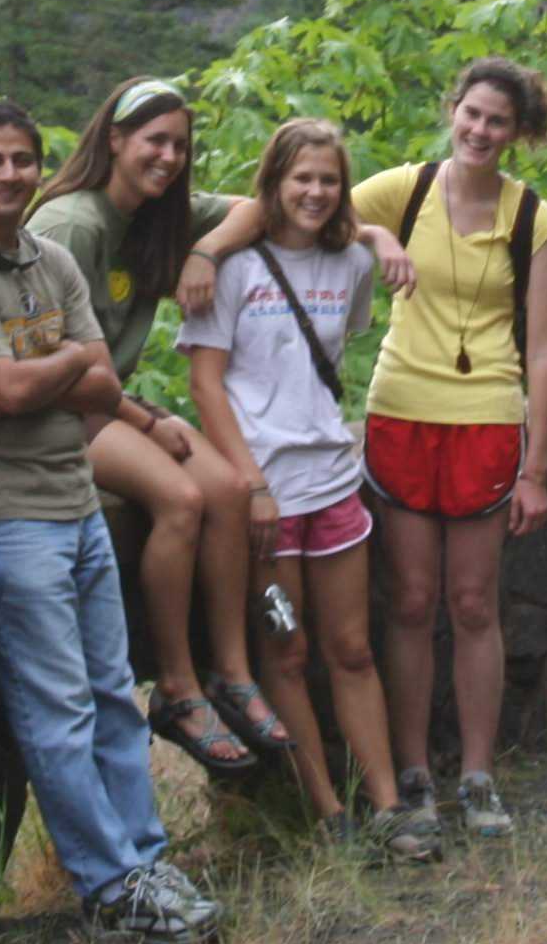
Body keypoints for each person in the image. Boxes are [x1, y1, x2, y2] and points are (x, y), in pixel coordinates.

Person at [0, 102, 223, 944]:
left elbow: (93, 379)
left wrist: (31, 375)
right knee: (56, 708)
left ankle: (144, 859)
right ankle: (108, 883)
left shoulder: (50, 258)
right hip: (7, 513)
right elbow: (43, 385)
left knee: (111, 697)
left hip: (77, 502)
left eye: (22, 160)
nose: (9, 175)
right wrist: (54, 374)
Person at [178, 118, 440, 863]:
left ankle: (389, 806)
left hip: (331, 485)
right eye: (302, 179)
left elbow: (328, 359)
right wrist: (252, 484)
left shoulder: (351, 265)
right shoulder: (232, 267)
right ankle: (328, 814)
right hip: (263, 496)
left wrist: (378, 239)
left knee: (352, 649)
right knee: (285, 653)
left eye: (329, 180)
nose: (316, 192)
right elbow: (206, 384)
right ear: (273, 182)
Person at [24, 77, 277, 774]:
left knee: (227, 489)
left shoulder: (159, 217)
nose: (166, 157)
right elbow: (50, 360)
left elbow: (262, 207)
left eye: (179, 145)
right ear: (113, 140)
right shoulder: (73, 223)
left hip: (108, 405)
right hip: (57, 412)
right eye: (153, 141)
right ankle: (175, 685)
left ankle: (232, 673)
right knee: (182, 499)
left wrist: (202, 252)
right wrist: (144, 420)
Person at [348, 57, 547, 842]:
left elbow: (542, 351)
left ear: (519, 134)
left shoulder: (531, 218)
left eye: (497, 121)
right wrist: (375, 235)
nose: (479, 131)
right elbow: (296, 206)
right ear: (452, 109)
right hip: (401, 412)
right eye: (471, 114)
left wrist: (536, 467)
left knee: (473, 604)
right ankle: (412, 773)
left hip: (485, 421)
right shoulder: (403, 190)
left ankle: (477, 775)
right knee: (408, 601)